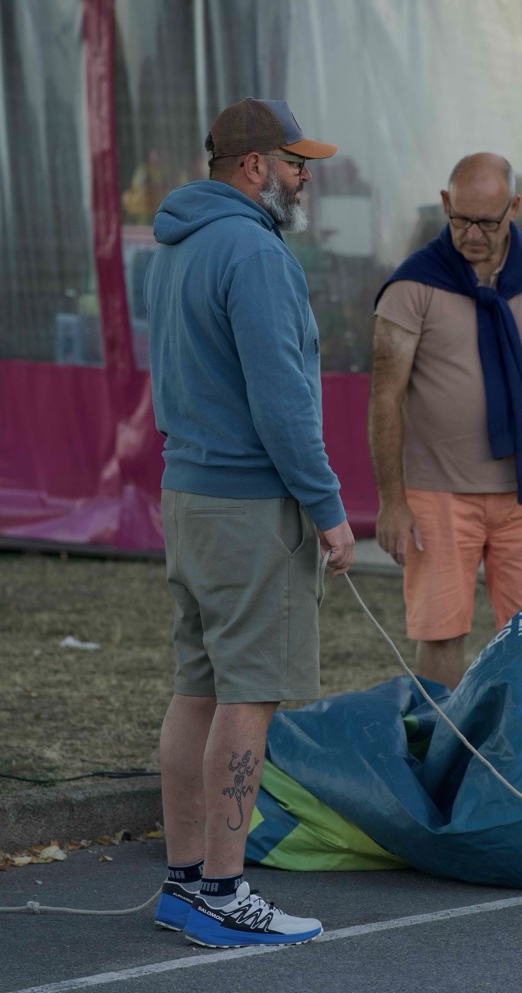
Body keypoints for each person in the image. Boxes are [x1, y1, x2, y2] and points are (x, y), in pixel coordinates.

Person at [143, 97, 355, 949]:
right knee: (249, 693)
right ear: (255, 165)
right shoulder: (254, 251)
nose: (306, 178)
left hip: (188, 494)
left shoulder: (178, 243)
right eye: (296, 163)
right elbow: (282, 401)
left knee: (196, 686)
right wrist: (328, 509)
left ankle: (184, 883)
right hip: (249, 506)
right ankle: (225, 893)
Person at [368, 152, 522, 692]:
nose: (472, 234)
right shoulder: (412, 284)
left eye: (487, 222)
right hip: (436, 493)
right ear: (445, 204)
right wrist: (391, 501)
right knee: (440, 635)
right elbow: (384, 395)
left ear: (514, 208)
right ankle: (441, 739)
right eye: (461, 219)